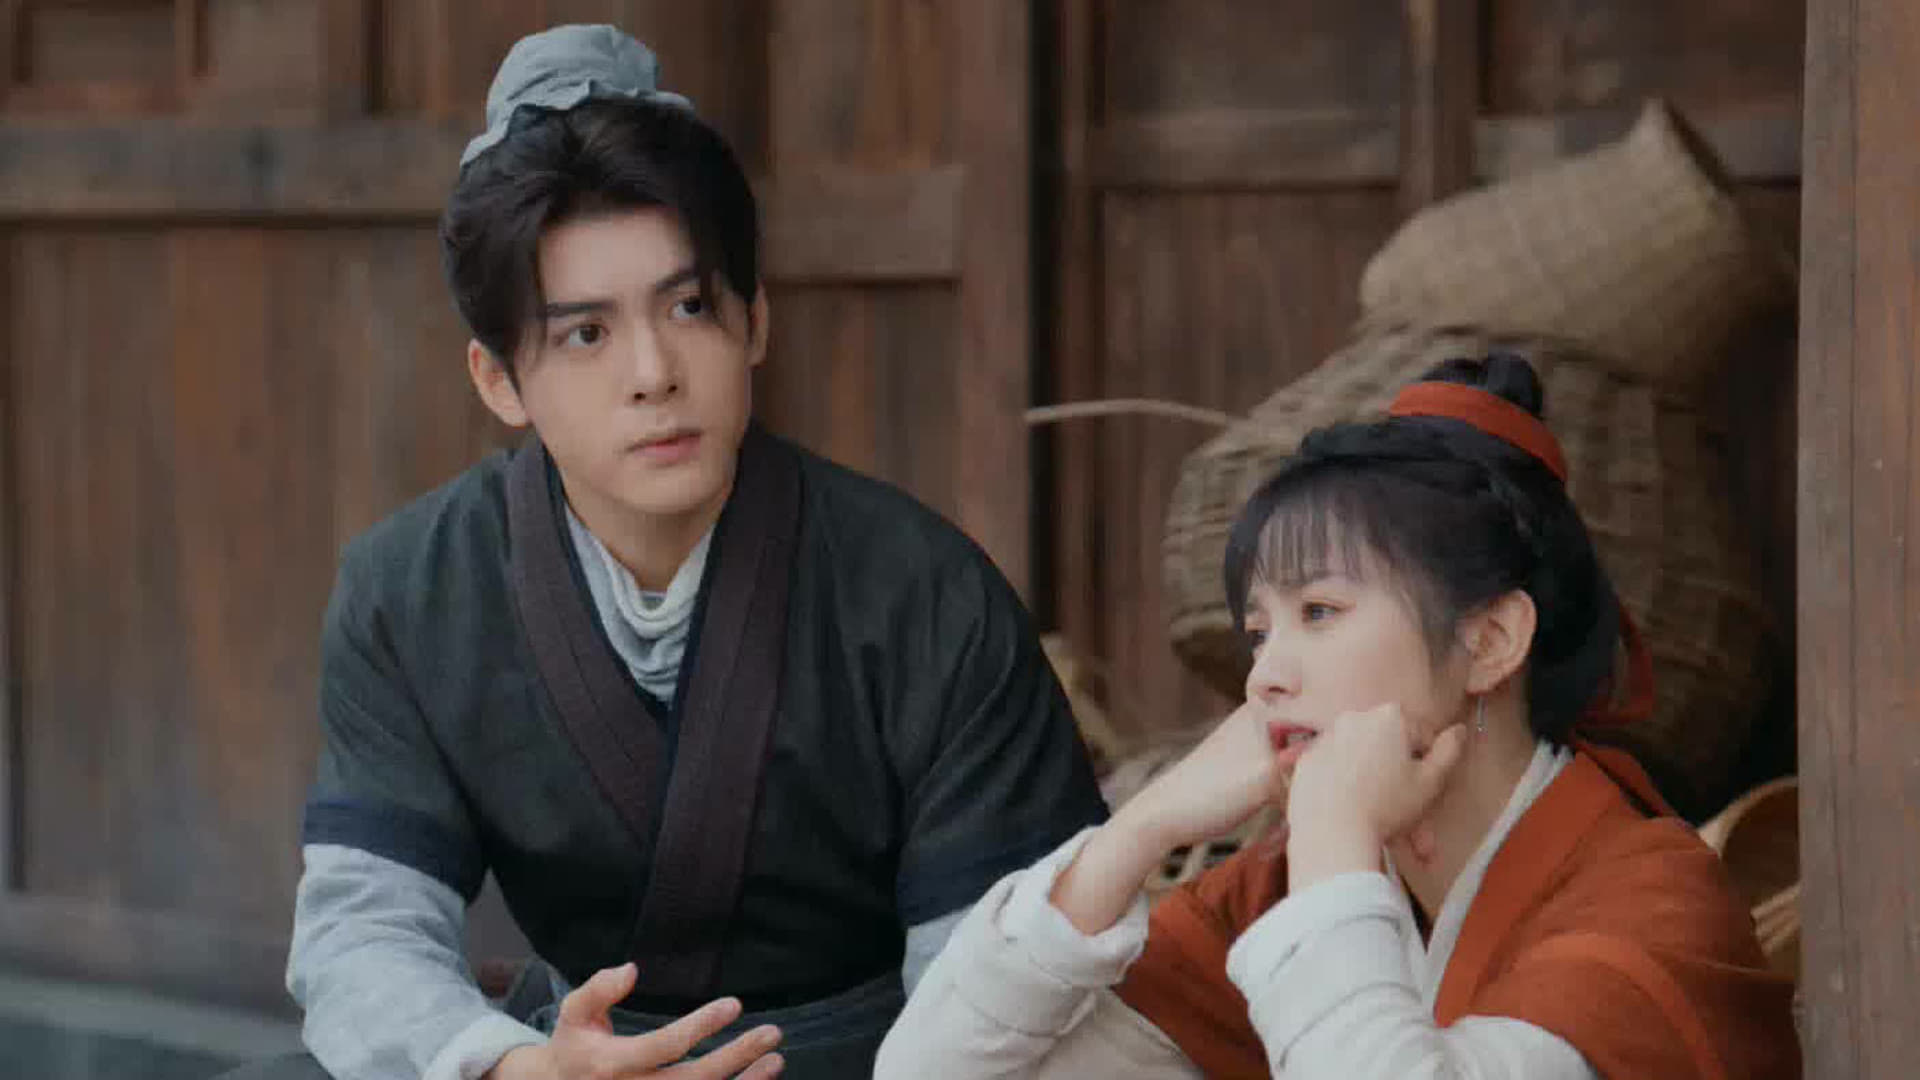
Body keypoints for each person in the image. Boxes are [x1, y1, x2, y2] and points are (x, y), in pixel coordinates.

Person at [229, 23, 1106, 1080]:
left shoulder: (928, 596)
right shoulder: (409, 592)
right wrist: (514, 1068)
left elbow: (1003, 984)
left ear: (754, 323)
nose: (653, 371)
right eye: (586, 333)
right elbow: (364, 931)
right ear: (499, 380)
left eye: (690, 306)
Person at [875, 352, 1802, 1078]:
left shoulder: (1650, 905)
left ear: (1491, 641)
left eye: (1319, 613)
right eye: (1259, 632)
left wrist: (1335, 840)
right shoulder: (1288, 884)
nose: (1265, 676)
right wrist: (1143, 826)